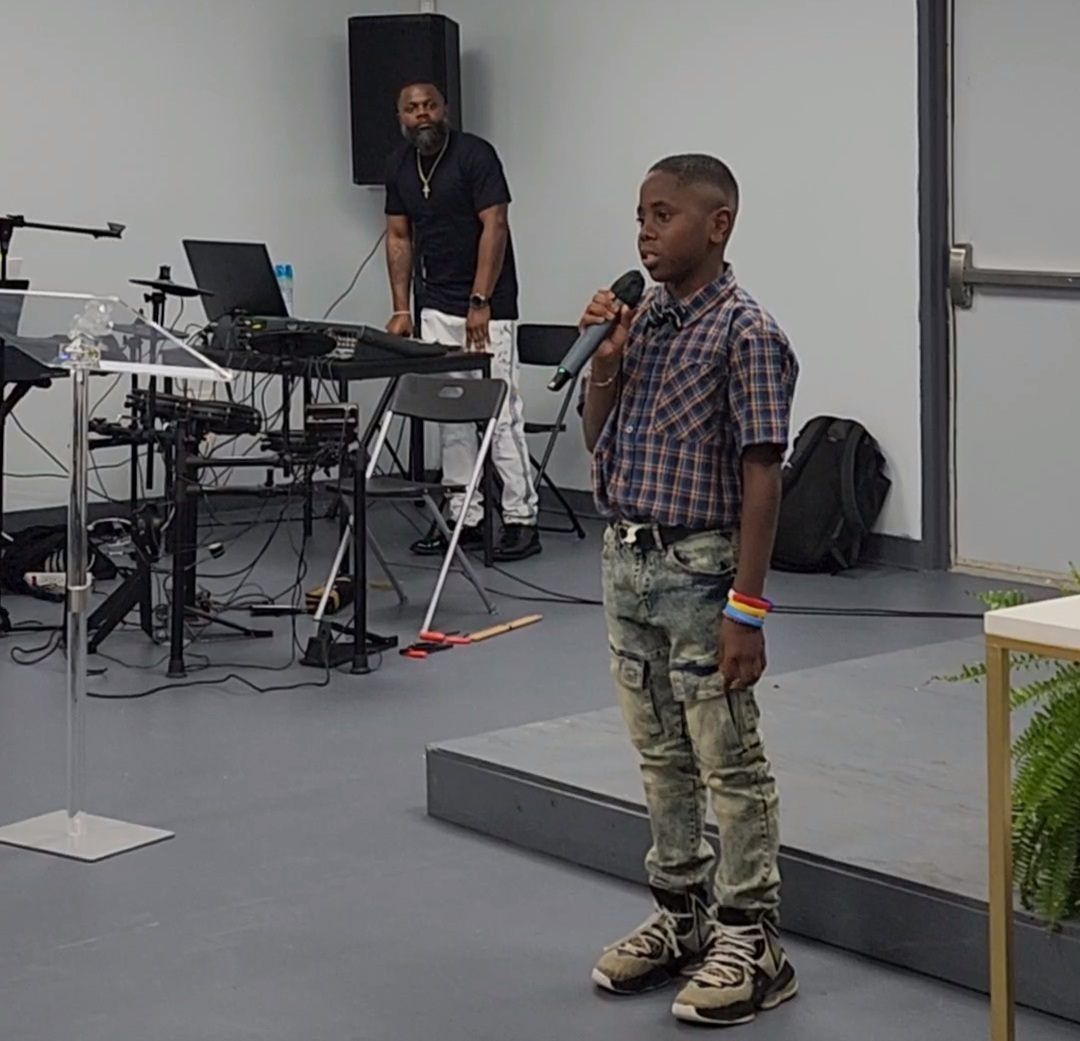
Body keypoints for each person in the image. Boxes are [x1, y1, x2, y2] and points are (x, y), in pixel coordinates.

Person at [580, 154, 799, 1027]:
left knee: (728, 759)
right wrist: (607, 359)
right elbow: (603, 441)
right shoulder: (650, 322)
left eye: (663, 214)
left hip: (703, 572)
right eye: (638, 214)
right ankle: (681, 912)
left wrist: (746, 606)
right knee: (661, 755)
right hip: (628, 562)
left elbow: (762, 477)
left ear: (718, 225)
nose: (644, 231)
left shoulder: (746, 332)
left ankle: (753, 934)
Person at [383, 81, 540, 562]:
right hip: (434, 304)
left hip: (486, 304)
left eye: (430, 105)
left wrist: (480, 299)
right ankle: (464, 517)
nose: (422, 114)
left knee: (500, 413)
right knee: (450, 416)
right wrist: (401, 308)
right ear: (401, 117)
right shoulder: (400, 166)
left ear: (444, 109)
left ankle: (520, 520)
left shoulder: (475, 155)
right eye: (412, 108)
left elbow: (496, 224)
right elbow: (398, 236)